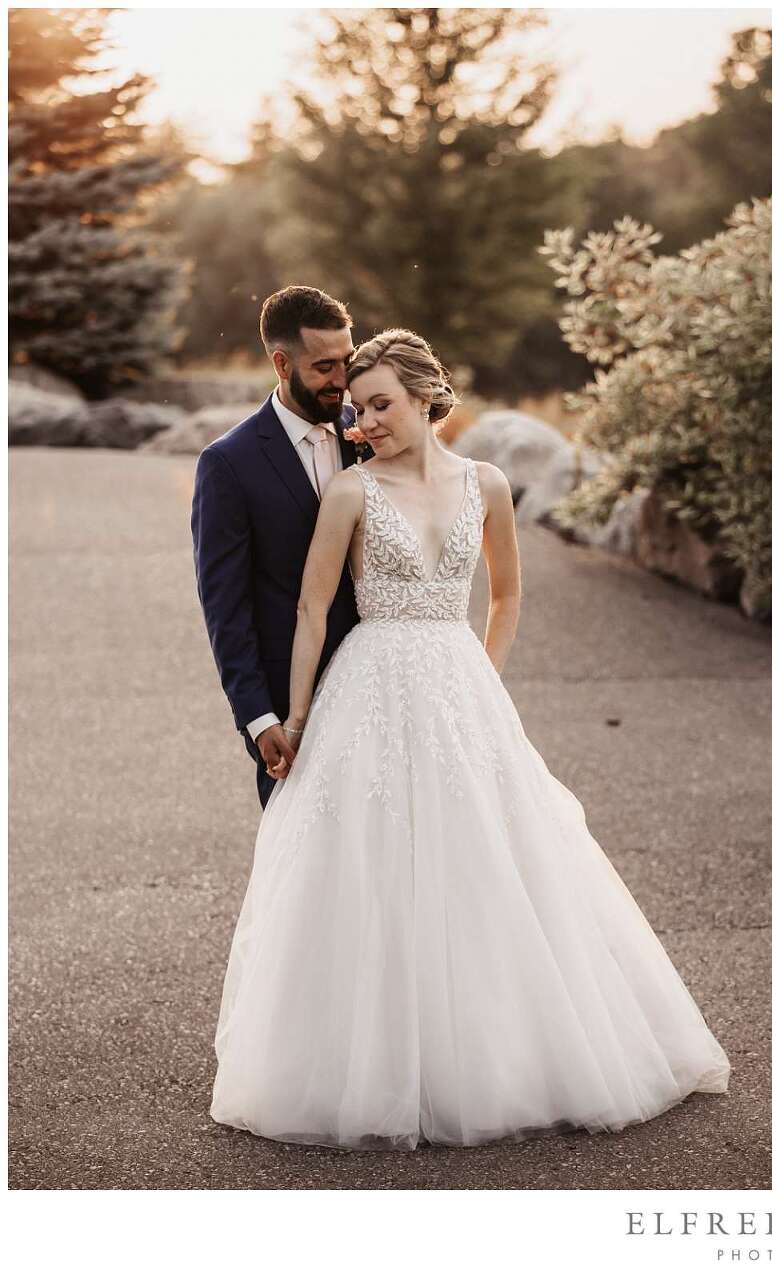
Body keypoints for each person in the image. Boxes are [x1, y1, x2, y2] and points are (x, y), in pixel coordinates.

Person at [207, 329, 729, 1149]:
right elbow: (311, 612)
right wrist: (296, 719)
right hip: (367, 683)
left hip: (460, 683)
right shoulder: (349, 492)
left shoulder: (488, 484)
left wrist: (482, 681)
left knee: (488, 860)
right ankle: (367, 1063)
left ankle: (496, 1053)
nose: (366, 422)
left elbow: (509, 597)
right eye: (356, 409)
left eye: (380, 404)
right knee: (365, 865)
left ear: (425, 397)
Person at [192, 286, 361, 808]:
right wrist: (258, 717)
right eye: (325, 366)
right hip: (290, 706)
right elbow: (225, 605)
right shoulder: (228, 463)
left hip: (378, 687)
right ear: (281, 362)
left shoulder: (373, 434)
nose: (342, 380)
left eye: (348, 361)